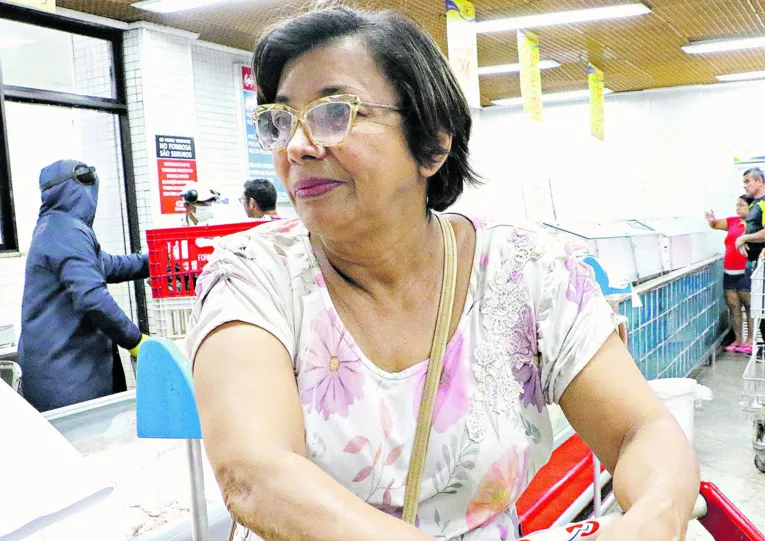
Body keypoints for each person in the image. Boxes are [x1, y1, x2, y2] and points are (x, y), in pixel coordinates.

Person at [186, 7, 699, 541]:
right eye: (281, 121)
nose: (297, 146)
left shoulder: (523, 269)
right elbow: (257, 472)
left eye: (334, 113)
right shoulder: (252, 276)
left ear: (432, 143)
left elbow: (643, 429)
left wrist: (654, 518)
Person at [18, 160, 149, 412]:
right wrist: (136, 341)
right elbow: (92, 298)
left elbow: (109, 265)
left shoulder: (54, 227)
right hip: (70, 376)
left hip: (63, 371)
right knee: (86, 448)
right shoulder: (66, 231)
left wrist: (159, 261)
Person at [706, 194, 754, 354]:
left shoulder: (755, 224)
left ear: (751, 207)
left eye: (741, 205)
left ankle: (750, 340)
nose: (738, 208)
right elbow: (715, 225)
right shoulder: (733, 221)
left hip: (745, 272)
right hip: (729, 272)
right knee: (734, 307)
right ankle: (738, 339)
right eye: (737, 205)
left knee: (749, 307)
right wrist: (712, 220)